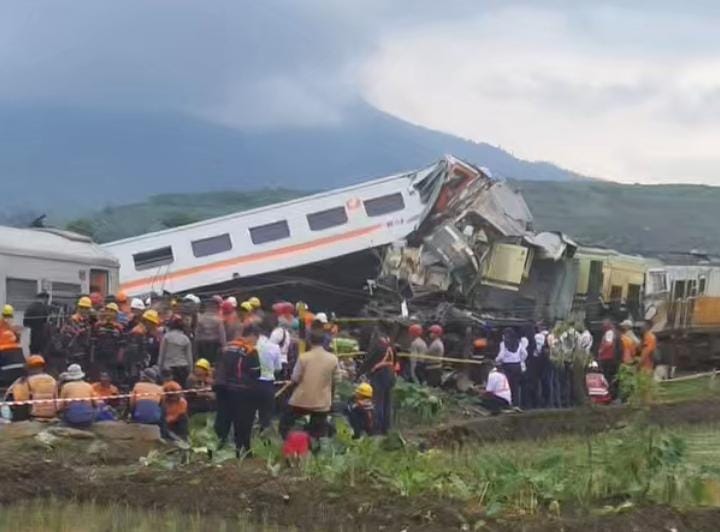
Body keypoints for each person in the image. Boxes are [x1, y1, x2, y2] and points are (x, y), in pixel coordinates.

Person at [280, 320, 339, 439]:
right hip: (322, 402)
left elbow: (295, 378)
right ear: (324, 341)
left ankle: (288, 443)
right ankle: (315, 448)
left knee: (285, 424)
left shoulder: (304, 358)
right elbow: (337, 378)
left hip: (301, 400)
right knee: (318, 431)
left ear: (309, 341)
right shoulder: (333, 359)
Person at [213, 325, 262, 455]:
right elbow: (256, 373)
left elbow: (216, 367)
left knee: (223, 418)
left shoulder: (226, 347)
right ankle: (242, 449)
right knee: (242, 422)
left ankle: (218, 446)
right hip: (242, 391)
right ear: (252, 335)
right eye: (256, 339)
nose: (256, 342)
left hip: (222, 389)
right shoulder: (250, 351)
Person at [356, 325, 394, 435]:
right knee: (387, 402)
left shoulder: (378, 345)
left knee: (378, 402)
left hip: (379, 375)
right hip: (390, 374)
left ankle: (377, 429)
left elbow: (368, 360)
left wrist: (359, 373)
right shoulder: (390, 344)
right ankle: (386, 427)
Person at [8, 355, 58, 421]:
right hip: (52, 416)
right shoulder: (52, 380)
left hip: (33, 417)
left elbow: (20, 401)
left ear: (28, 367)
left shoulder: (24, 381)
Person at [257, 324, 283, 431]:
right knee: (267, 410)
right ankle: (264, 430)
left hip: (252, 380)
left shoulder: (252, 345)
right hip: (268, 381)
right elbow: (278, 368)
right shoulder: (275, 347)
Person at [91, 302, 125, 381]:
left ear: (116, 314)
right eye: (108, 310)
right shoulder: (98, 325)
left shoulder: (120, 327)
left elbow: (122, 344)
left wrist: (119, 359)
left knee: (111, 379)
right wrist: (92, 359)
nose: (109, 313)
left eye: (112, 311)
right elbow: (93, 342)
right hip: (99, 357)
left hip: (113, 358)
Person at [495, 328, 527, 407]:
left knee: (507, 386)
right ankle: (516, 404)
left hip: (507, 366)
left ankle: (508, 403)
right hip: (517, 366)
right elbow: (525, 353)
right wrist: (521, 359)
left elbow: (501, 355)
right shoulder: (518, 343)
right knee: (515, 386)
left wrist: (496, 360)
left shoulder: (503, 344)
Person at [58, 364, 97, 428]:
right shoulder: (89, 386)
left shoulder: (66, 387)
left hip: (72, 420)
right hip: (87, 421)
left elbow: (60, 407)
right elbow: (96, 404)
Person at [158, 315, 193, 385]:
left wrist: (160, 368)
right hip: (183, 368)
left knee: (169, 391)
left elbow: (162, 354)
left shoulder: (166, 337)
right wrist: (190, 371)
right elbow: (189, 357)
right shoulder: (185, 339)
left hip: (168, 368)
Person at [194, 298, 226, 365]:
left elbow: (197, 333)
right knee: (213, 362)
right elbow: (221, 334)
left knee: (203, 361)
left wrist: (196, 345)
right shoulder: (218, 319)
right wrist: (224, 346)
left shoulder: (201, 318)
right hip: (214, 344)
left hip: (202, 343)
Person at [597, 319, 621, 399]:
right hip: (610, 358)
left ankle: (611, 395)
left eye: (604, 324)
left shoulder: (609, 332)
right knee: (610, 377)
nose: (602, 326)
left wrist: (601, 350)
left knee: (608, 377)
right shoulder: (612, 332)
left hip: (607, 358)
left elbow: (608, 344)